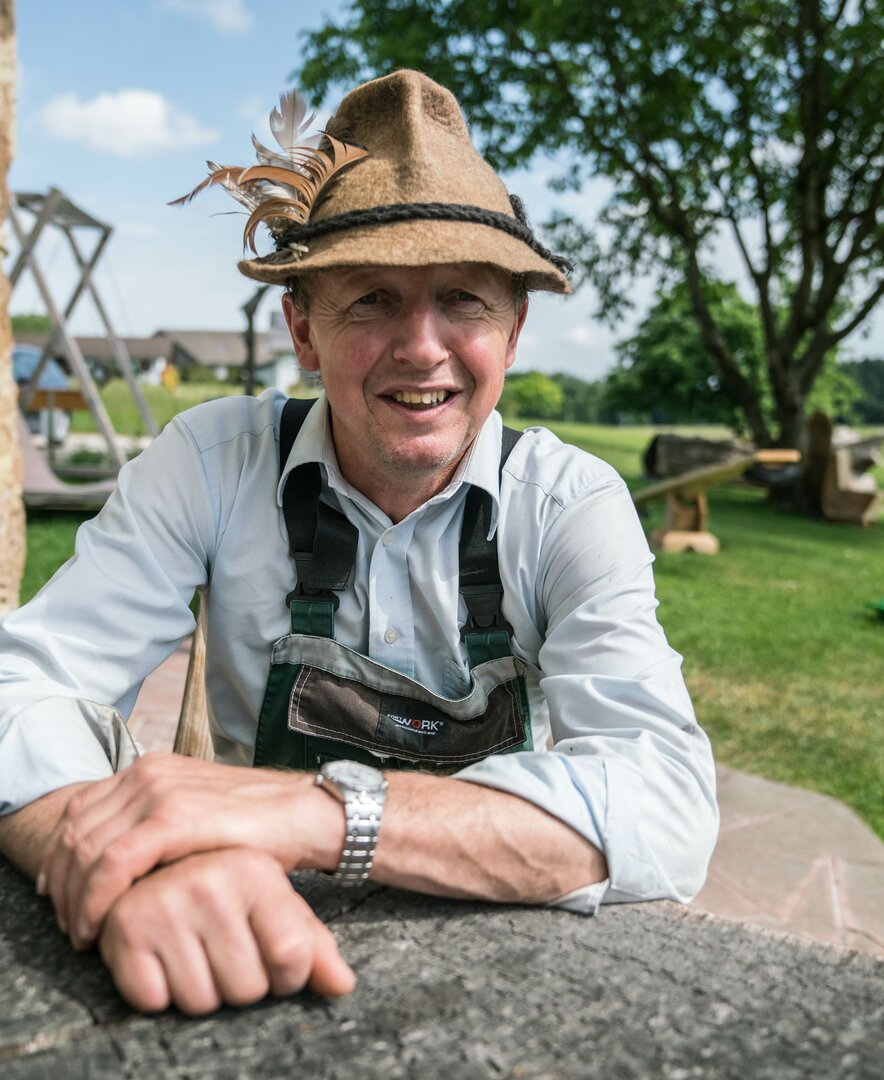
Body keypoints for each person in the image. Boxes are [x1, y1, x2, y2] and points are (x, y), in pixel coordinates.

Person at [0, 70, 718, 1016]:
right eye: (372, 299)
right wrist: (111, 857)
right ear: (302, 325)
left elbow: (665, 806)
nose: (422, 347)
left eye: (462, 299)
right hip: (249, 949)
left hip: (500, 973)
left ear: (514, 328)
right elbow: (23, 686)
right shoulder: (212, 464)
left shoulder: (569, 504)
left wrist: (314, 814)